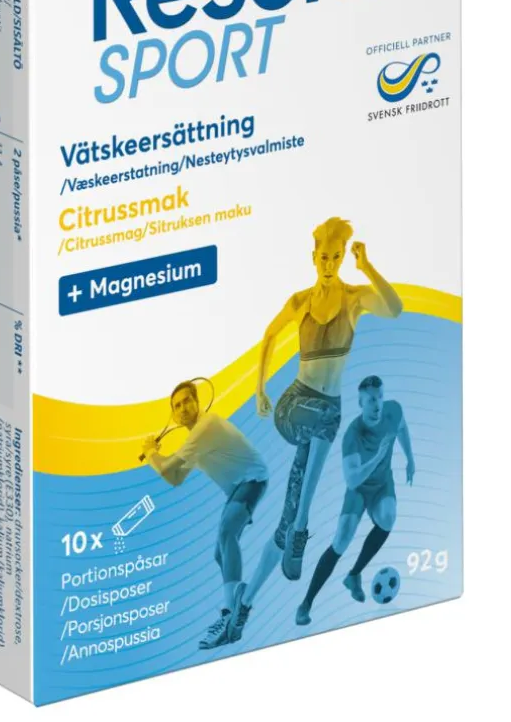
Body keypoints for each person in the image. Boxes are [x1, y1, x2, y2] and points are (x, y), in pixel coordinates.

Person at [228, 218, 401, 643]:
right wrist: (259, 388)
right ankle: (303, 526)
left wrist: (367, 266)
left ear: (343, 258)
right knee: (323, 424)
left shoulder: (354, 299)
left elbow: (395, 308)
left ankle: (247, 600)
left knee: (285, 520)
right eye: (323, 257)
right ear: (313, 257)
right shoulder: (300, 301)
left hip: (328, 413)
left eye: (336, 257)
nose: (329, 264)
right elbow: (269, 335)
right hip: (295, 406)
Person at [142, 380, 270, 650]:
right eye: (177, 406)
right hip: (237, 489)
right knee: (219, 554)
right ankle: (238, 602)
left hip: (253, 479)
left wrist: (151, 452)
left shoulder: (206, 425)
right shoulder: (194, 441)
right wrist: (156, 457)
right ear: (174, 415)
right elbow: (175, 478)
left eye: (187, 401)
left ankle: (230, 612)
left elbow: (165, 468)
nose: (183, 408)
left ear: (197, 402)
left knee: (226, 533)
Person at [295, 375, 415, 624]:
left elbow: (402, 428)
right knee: (341, 541)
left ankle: (353, 575)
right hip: (359, 490)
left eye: (380, 397)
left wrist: (410, 459)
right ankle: (306, 603)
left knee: (388, 517)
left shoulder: (393, 411)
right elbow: (352, 480)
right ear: (361, 403)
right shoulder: (353, 434)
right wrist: (377, 456)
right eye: (371, 400)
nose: (377, 404)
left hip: (382, 484)